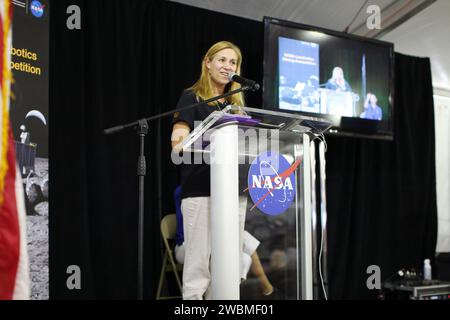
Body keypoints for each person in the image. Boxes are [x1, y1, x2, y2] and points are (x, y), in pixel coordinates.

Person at [171, 41, 246, 300]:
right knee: (198, 269)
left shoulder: (237, 107)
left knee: (228, 268)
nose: (227, 66)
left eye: (233, 62)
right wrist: (184, 141)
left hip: (234, 192)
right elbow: (178, 142)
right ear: (208, 62)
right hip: (200, 191)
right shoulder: (192, 97)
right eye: (222, 60)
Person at [173, 186, 274, 297]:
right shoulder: (186, 190)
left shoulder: (227, 189)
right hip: (186, 243)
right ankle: (266, 286)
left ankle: (233, 292)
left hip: (214, 241)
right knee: (241, 240)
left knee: (244, 259)